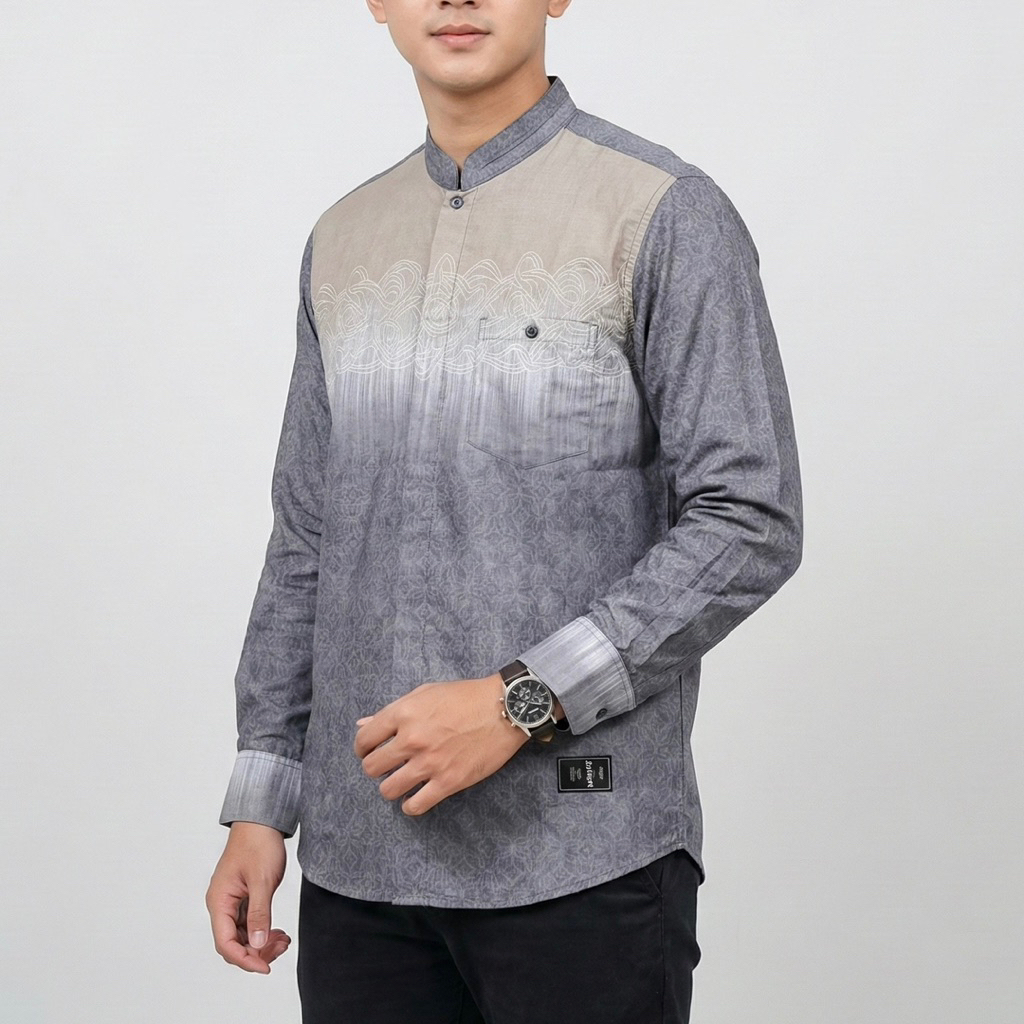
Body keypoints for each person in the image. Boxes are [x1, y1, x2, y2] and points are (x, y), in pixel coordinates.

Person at [205, 1, 802, 1021]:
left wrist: (521, 700)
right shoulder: (344, 241)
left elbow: (749, 515)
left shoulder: (662, 212)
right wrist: (263, 801)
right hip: (359, 873)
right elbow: (307, 535)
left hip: (583, 860)